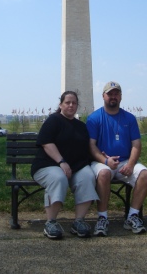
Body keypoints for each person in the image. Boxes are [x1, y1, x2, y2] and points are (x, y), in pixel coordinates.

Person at [86, 81, 147, 236]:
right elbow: (91, 146)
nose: (113, 97)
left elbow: (136, 144)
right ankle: (102, 218)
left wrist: (130, 164)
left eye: (116, 93)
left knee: (145, 174)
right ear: (103, 96)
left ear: (121, 96)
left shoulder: (129, 118)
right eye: (110, 94)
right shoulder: (94, 118)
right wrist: (105, 161)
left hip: (124, 163)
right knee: (103, 174)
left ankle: (132, 216)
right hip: (101, 162)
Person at [31, 91, 99, 239]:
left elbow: (88, 148)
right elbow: (46, 143)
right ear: (61, 104)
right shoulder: (53, 120)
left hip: (75, 167)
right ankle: (50, 222)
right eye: (67, 102)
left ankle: (79, 221)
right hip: (47, 166)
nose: (71, 105)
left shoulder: (81, 126)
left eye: (74, 103)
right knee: (59, 178)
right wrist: (61, 162)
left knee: (88, 176)